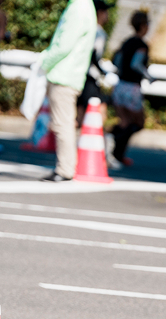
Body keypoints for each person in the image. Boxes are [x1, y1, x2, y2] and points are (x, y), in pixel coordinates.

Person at [38, 0, 97, 182]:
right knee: (64, 122)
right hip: (71, 74)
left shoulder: (78, 7)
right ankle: (66, 167)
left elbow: (64, 44)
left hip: (64, 74)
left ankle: (64, 169)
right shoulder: (85, 6)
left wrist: (44, 63)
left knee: (62, 124)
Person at [108, 10, 153, 168]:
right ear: (143, 26)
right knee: (138, 123)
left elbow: (117, 61)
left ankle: (114, 150)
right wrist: (148, 76)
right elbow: (136, 64)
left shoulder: (126, 42)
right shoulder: (142, 45)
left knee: (124, 122)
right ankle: (114, 148)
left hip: (119, 85)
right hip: (132, 87)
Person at [76, 0, 110, 127]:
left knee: (81, 113)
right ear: (100, 13)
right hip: (91, 77)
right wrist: (103, 72)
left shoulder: (86, 28)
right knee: (99, 110)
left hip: (82, 74)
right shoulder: (98, 32)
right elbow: (93, 55)